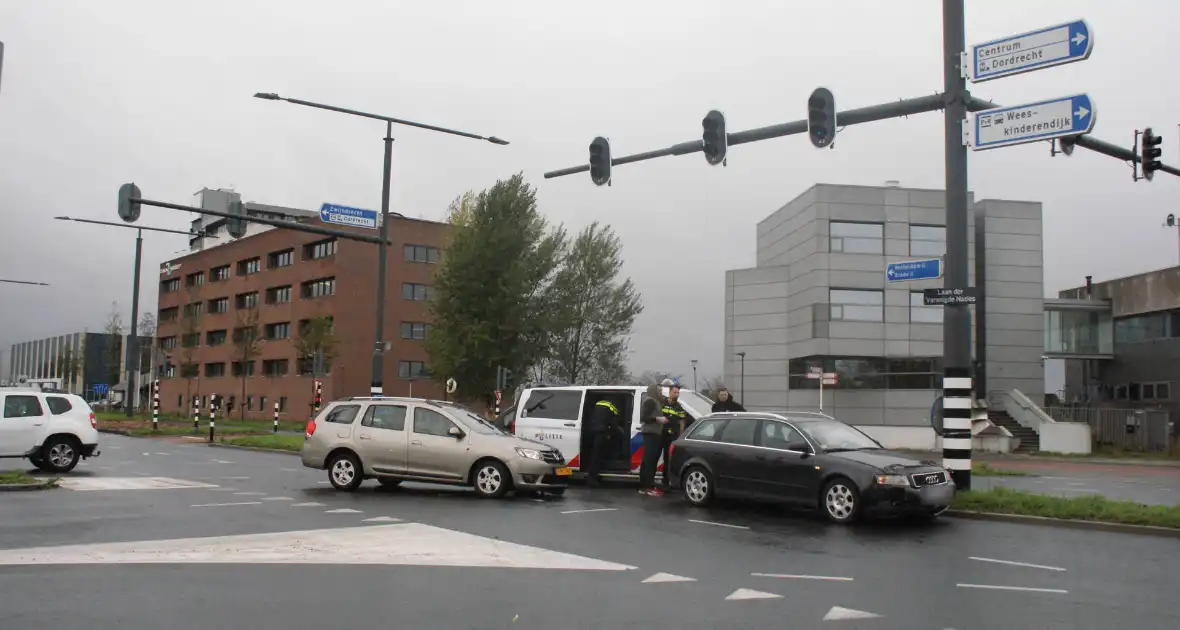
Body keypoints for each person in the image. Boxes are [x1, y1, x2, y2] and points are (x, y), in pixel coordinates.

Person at [658, 380, 690, 491]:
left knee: (668, 460)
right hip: (660, 434)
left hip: (672, 436)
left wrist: (680, 435)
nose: (676, 394)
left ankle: (666, 482)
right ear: (670, 392)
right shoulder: (662, 403)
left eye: (678, 393)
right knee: (654, 457)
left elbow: (682, 421)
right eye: (674, 392)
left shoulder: (678, 407)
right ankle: (648, 482)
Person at [638, 384, 667, 496]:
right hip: (650, 433)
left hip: (654, 433)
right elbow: (644, 418)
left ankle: (646, 485)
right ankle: (646, 487)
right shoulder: (650, 401)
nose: (661, 392)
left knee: (650, 459)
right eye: (659, 390)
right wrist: (658, 419)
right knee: (649, 460)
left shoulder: (655, 401)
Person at [583, 398, 619, 487]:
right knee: (598, 454)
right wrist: (611, 433)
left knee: (593, 452)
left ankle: (592, 473)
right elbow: (614, 422)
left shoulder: (597, 404)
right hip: (601, 432)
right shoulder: (612, 407)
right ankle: (592, 477)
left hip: (591, 430)